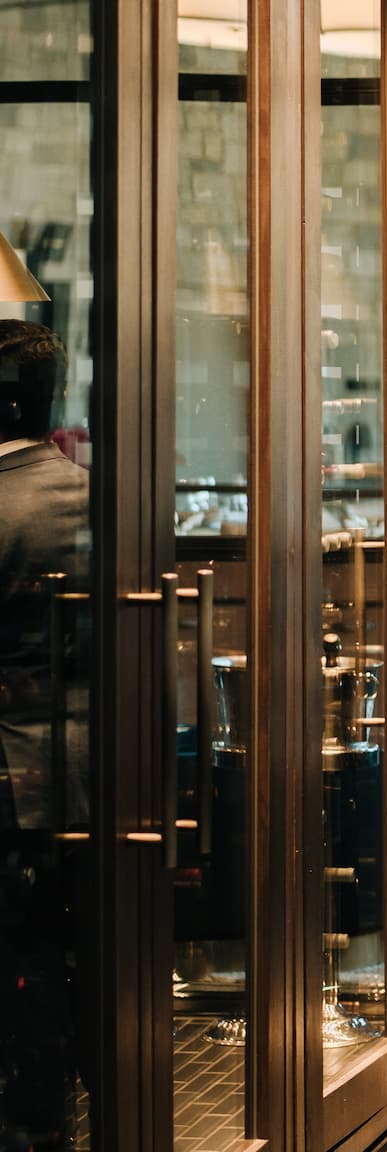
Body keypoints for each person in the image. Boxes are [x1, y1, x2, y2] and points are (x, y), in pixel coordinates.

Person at [0, 320, 90, 1150]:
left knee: (25, 956)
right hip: (100, 762)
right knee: (95, 950)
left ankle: (41, 1124)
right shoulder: (92, 494)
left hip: (16, 769)